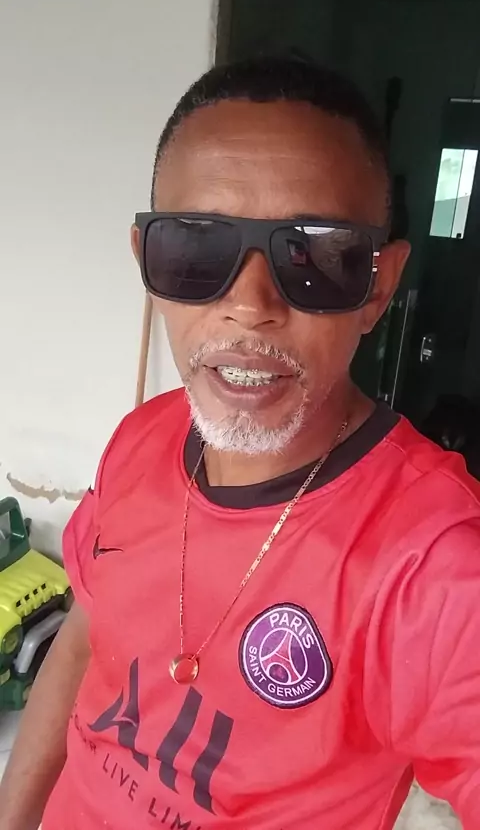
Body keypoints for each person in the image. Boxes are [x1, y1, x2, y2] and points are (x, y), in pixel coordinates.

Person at [1, 56, 479, 830]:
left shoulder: (434, 565)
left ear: (379, 289)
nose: (249, 306)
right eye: (196, 249)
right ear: (147, 264)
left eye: (316, 257)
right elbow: (85, 639)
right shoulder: (144, 438)